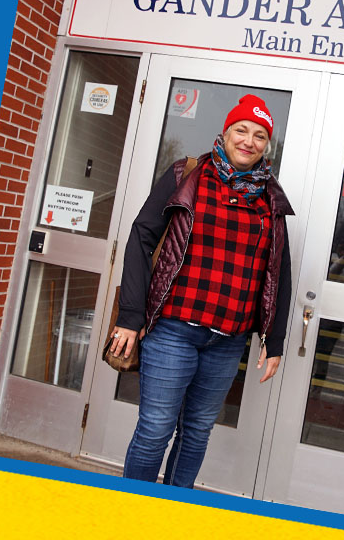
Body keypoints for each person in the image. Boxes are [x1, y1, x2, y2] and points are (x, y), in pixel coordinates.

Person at [108, 95, 294, 487]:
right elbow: (142, 237)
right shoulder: (187, 174)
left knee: (196, 432)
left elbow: (279, 271)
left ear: (267, 145)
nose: (249, 141)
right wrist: (130, 317)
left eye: (260, 135)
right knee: (156, 429)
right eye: (241, 130)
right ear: (225, 134)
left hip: (228, 341)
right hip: (173, 329)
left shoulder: (270, 198)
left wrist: (272, 339)